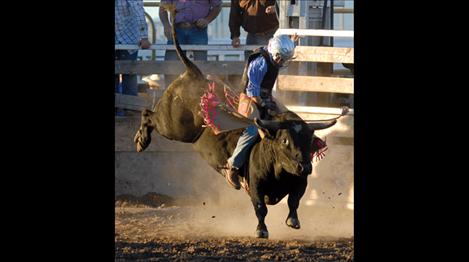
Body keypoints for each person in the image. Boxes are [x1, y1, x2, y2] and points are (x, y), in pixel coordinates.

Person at [222, 35, 296, 190]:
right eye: (281, 59)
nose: (282, 62)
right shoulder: (260, 62)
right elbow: (252, 91)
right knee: (254, 127)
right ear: (275, 53)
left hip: (264, 96)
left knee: (289, 116)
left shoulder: (274, 53)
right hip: (249, 99)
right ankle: (233, 165)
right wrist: (265, 105)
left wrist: (293, 42)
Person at [159, 0, 222, 87]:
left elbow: (217, 6)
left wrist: (207, 20)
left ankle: (199, 93)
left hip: (198, 29)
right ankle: (171, 94)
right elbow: (163, 7)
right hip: (176, 29)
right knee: (171, 62)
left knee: (200, 65)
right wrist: (166, 25)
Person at [115, 0, 152, 115]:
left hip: (129, 38)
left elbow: (139, 12)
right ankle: (119, 113)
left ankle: (130, 112)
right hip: (124, 38)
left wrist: (144, 36)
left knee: (129, 75)